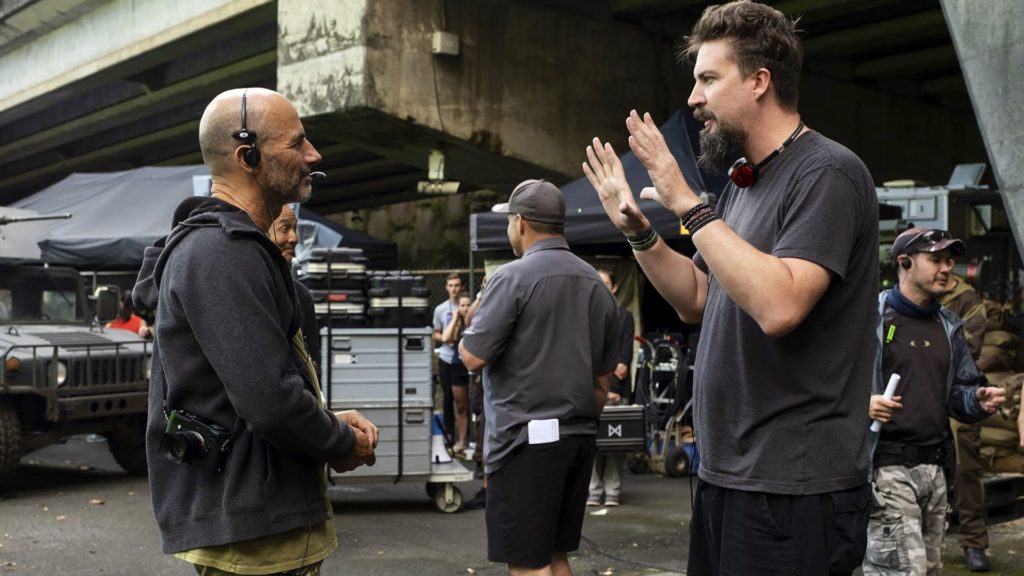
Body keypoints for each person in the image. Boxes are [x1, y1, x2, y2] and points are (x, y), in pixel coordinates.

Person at [583, 2, 878, 573]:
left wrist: (688, 204)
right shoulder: (745, 183)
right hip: (726, 475)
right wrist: (641, 236)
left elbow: (780, 304)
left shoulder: (829, 174)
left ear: (759, 82)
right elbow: (699, 296)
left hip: (792, 488)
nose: (693, 98)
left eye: (708, 79)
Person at [133, 87, 378, 576]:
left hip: (263, 525)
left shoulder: (238, 251)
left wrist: (323, 417)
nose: (314, 155)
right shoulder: (223, 254)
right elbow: (268, 399)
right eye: (297, 143)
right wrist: (336, 440)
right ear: (249, 156)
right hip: (255, 538)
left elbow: (253, 383)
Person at [459, 179, 619, 576]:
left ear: (520, 222)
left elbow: (471, 357)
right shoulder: (597, 287)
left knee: (528, 563)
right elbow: (603, 380)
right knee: (556, 555)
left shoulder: (511, 278)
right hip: (579, 436)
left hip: (526, 440)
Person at [865, 228, 1005, 575]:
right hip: (887, 468)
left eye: (950, 260)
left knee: (929, 570)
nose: (947, 267)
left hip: (935, 470)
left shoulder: (951, 327)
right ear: (905, 263)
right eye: (936, 259)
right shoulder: (872, 318)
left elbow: (960, 394)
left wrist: (978, 400)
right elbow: (827, 379)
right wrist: (862, 403)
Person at [939, 272, 992, 572]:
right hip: (914, 393)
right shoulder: (904, 296)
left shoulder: (967, 300)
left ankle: (974, 541)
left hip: (958, 390)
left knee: (966, 467)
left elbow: (967, 352)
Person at [587, 269, 635, 508]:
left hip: (615, 391)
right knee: (593, 443)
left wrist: (613, 388)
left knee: (616, 443)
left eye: (606, 282)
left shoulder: (625, 317)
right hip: (593, 390)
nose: (603, 287)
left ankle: (613, 490)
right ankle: (594, 490)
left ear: (614, 288)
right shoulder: (588, 317)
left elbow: (622, 362)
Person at [269, 203, 320, 370]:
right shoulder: (250, 286)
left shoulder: (301, 295)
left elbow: (311, 360)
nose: (294, 238)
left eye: (295, 229)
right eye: (285, 229)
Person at [433, 273, 468, 448]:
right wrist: (446, 337)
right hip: (447, 357)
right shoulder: (440, 309)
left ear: (461, 287)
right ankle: (449, 436)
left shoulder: (467, 306)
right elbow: (435, 333)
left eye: (457, 285)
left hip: (465, 357)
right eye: (451, 285)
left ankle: (465, 439)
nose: (454, 289)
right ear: (446, 287)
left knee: (465, 401)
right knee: (447, 398)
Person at [441, 291, 473, 455]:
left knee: (475, 407)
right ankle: (462, 442)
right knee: (460, 407)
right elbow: (445, 338)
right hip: (457, 366)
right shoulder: (455, 322)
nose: (465, 308)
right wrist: (454, 318)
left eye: (468, 305)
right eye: (462, 305)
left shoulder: (476, 321)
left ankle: (475, 441)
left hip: (473, 368)